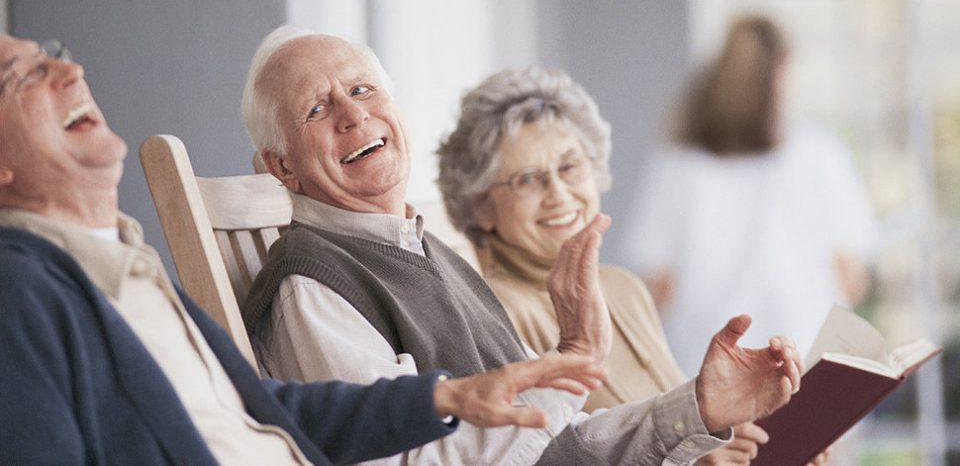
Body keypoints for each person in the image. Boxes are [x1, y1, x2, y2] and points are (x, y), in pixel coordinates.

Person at [0, 33, 612, 464]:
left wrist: (438, 396)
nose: (72, 72)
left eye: (53, 56)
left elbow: (261, 408)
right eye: (23, 75)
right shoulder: (19, 290)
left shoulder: (125, 265)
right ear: (281, 168)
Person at [240, 25, 803, 465]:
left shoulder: (428, 253)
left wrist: (699, 410)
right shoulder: (311, 285)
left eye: (362, 90)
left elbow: (556, 445)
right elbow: (410, 460)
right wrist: (570, 363)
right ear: (281, 165)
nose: (354, 114)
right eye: (318, 108)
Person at [436, 66, 785, 464]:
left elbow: (686, 417)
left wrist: (739, 436)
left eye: (569, 168)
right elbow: (548, 459)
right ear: (481, 205)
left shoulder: (623, 287)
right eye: (529, 179)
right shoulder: (492, 311)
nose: (559, 194)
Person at [624, 14, 877, 376]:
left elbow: (658, 290)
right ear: (782, 69)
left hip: (706, 375)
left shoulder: (678, 163)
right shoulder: (821, 154)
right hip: (807, 365)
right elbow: (851, 278)